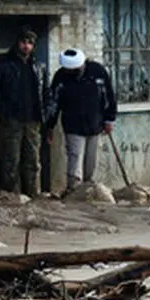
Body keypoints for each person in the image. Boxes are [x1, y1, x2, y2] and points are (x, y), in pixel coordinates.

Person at [47, 48, 117, 194]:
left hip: (95, 124)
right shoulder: (61, 77)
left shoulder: (98, 72)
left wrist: (109, 119)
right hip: (72, 125)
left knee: (90, 161)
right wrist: (50, 125)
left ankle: (87, 189)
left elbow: (108, 96)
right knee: (75, 158)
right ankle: (73, 189)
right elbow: (54, 102)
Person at [0, 29, 48, 198]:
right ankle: (11, 195)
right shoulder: (4, 65)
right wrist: (1, 112)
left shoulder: (38, 67)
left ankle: (32, 194)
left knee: (32, 160)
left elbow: (45, 92)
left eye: (30, 43)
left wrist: (45, 114)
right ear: (17, 43)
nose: (26, 46)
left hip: (33, 120)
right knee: (11, 159)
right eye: (23, 42)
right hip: (12, 119)